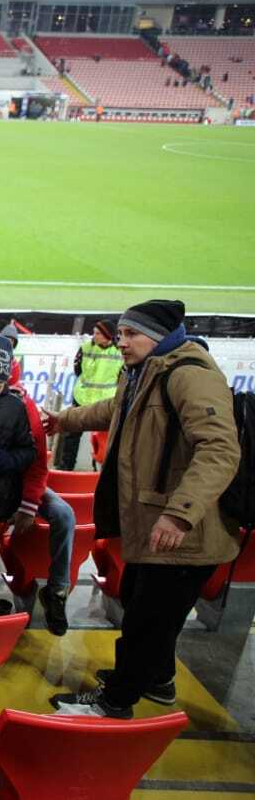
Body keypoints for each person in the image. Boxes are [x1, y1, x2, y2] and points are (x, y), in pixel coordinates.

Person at [46, 300, 240, 718]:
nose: (121, 342)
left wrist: (179, 513)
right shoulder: (144, 372)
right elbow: (114, 410)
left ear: (159, 336)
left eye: (131, 334)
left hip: (186, 534)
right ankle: (157, 679)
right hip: (155, 527)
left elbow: (220, 449)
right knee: (143, 603)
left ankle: (116, 701)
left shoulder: (189, 375)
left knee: (146, 620)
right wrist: (65, 420)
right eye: (120, 334)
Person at [0, 335, 76, 634]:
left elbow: (35, 460)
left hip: (11, 488)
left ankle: (57, 590)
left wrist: (28, 504)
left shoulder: (20, 404)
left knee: (64, 514)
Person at [56, 320, 121, 471]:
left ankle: (97, 469)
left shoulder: (119, 352)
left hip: (105, 400)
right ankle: (65, 467)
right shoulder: (85, 348)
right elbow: (77, 369)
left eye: (98, 333)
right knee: (72, 434)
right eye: (94, 332)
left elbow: (121, 375)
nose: (94, 336)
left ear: (107, 335)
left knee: (101, 439)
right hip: (82, 397)